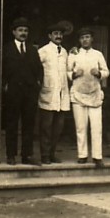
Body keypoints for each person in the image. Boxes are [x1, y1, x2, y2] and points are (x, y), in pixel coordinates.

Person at [2, 17, 43, 165]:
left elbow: (39, 69)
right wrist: (3, 84)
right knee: (12, 123)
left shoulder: (32, 49)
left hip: (30, 92)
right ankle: (11, 155)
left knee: (29, 124)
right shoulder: (6, 48)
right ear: (14, 32)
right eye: (20, 30)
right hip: (13, 91)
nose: (23, 33)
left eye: (25, 30)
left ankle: (27, 155)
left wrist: (37, 82)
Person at [67, 27, 110, 167]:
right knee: (81, 127)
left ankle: (97, 156)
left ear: (92, 39)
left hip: (94, 94)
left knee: (96, 127)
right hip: (78, 94)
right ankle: (82, 155)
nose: (85, 40)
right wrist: (74, 74)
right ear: (79, 40)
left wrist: (98, 73)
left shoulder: (98, 54)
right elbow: (67, 71)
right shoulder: (74, 54)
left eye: (87, 37)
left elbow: (106, 71)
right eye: (82, 38)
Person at [37, 22, 71, 164]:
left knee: (58, 128)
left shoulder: (64, 52)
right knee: (46, 127)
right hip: (48, 93)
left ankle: (52, 153)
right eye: (56, 34)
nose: (58, 36)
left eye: (60, 34)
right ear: (50, 36)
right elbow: (37, 70)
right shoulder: (43, 51)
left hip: (62, 95)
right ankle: (44, 155)